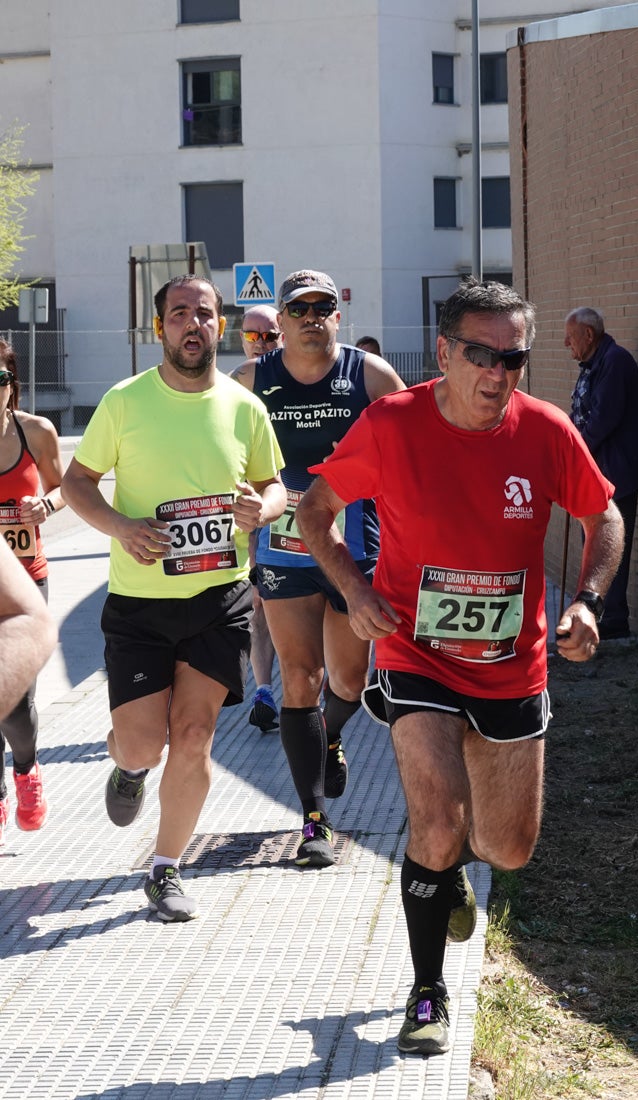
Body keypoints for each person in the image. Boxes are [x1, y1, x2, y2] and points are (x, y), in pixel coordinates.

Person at [295, 278, 624, 1055]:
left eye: (513, 357)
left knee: (506, 849)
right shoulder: (392, 425)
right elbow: (314, 513)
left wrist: (588, 601)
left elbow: (600, 514)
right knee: (436, 825)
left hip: (513, 665)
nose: (498, 372)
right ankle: (425, 993)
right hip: (417, 653)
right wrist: (352, 587)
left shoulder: (543, 432)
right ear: (442, 353)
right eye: (480, 354)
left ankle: (445, 876)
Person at [62, 275, 286, 922]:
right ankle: (127, 770)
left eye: (205, 313)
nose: (193, 324)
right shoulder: (125, 402)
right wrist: (120, 528)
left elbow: (274, 487)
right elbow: (78, 482)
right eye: (179, 313)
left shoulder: (246, 408)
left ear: (222, 325)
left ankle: (165, 868)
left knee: (193, 736)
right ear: (159, 327)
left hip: (219, 595)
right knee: (143, 746)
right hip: (138, 604)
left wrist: (259, 509)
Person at [232, 269, 405, 868]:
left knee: (349, 681)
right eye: (298, 307)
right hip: (283, 551)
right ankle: (313, 822)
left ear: (338, 315)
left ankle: (329, 734)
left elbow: (414, 454)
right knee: (298, 679)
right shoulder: (252, 380)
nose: (311, 316)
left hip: (353, 549)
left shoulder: (370, 375)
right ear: (278, 320)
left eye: (322, 306)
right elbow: (221, 453)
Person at [0, 340, 65, 842]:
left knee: (16, 700)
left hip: (24, 584)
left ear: (12, 384)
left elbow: (68, 488)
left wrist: (47, 504)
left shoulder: (36, 432)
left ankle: (26, 769)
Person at [565, 307, 638, 639]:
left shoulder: (614, 363)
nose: (565, 344)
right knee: (593, 544)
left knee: (608, 545)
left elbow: (601, 420)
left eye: (570, 338)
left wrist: (575, 453)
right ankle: (598, 613)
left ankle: (614, 620)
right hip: (598, 471)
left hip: (615, 473)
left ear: (588, 335)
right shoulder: (594, 364)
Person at [237, 305, 284, 734]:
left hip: (314, 513)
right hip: (261, 517)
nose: (262, 344)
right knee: (260, 606)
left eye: (269, 336)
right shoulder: (239, 385)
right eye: (254, 337)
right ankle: (265, 693)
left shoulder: (303, 375)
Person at [0, 538, 57, 722]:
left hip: (29, 574)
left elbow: (74, 506)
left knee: (20, 704)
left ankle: (27, 752)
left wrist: (48, 506)